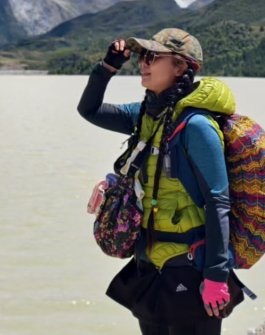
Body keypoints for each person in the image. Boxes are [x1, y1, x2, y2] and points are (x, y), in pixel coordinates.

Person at [77, 28, 245, 335]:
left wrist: (217, 278)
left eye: (154, 56)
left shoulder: (197, 126)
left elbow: (217, 203)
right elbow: (89, 110)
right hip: (150, 266)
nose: (144, 62)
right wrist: (107, 68)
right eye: (143, 55)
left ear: (181, 67)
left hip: (192, 271)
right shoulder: (144, 115)